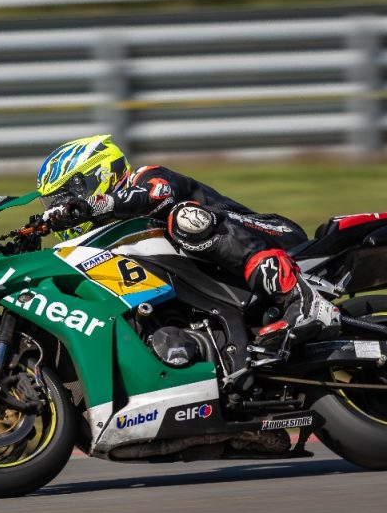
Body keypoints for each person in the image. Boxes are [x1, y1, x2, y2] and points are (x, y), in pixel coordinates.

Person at [36, 134, 339, 355]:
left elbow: (157, 194)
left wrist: (97, 205)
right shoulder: (113, 239)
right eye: (55, 203)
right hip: (224, 277)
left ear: (96, 175)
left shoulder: (146, 177)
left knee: (186, 219)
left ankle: (302, 298)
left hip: (271, 233)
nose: (63, 208)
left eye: (67, 196)